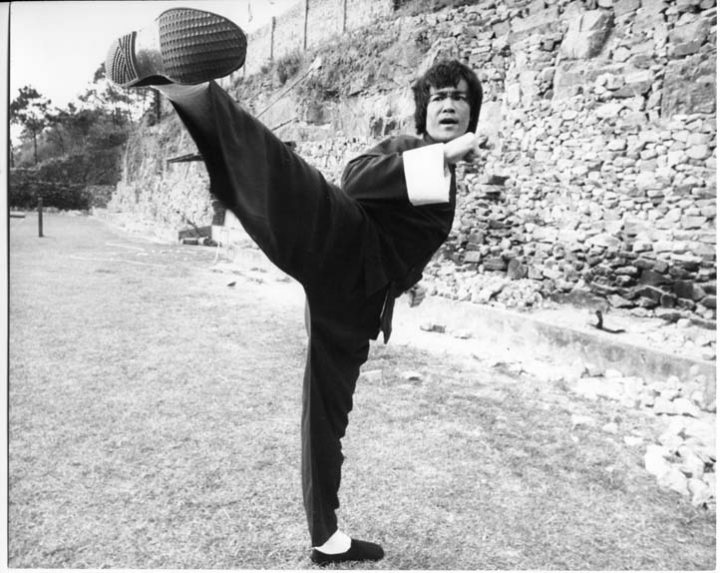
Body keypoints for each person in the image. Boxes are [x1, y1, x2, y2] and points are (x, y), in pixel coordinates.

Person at [105, 7, 485, 565]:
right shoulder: (408, 148)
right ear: (424, 111)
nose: (449, 104)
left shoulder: (449, 184)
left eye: (460, 97)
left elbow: (411, 245)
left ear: (474, 111)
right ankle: (183, 85)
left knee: (325, 417)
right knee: (280, 174)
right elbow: (354, 180)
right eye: (440, 97)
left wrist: (408, 282)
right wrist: (439, 156)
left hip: (355, 303)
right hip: (342, 239)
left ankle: (327, 537)